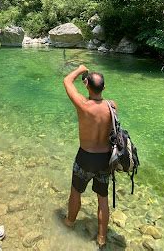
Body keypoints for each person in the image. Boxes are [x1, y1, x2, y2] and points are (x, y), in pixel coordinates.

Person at [63, 64, 116, 248]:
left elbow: (67, 81)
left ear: (86, 85)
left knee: (76, 192)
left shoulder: (84, 106)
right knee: (102, 199)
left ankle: (69, 222)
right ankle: (101, 238)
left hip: (86, 157)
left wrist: (79, 69)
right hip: (105, 160)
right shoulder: (112, 106)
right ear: (104, 88)